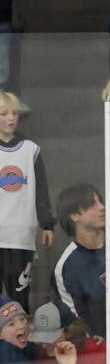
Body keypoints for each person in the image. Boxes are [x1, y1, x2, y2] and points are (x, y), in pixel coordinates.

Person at [51, 183, 110, 332]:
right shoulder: (66, 266)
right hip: (105, 350)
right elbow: (80, 324)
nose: (102, 207)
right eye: (92, 204)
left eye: (100, 201)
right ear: (74, 215)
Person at [0, 90, 52, 306]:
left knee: (19, 298)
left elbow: (41, 190)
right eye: (4, 113)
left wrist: (47, 224)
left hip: (21, 237)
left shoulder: (31, 151)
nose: (11, 118)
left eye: (14, 113)